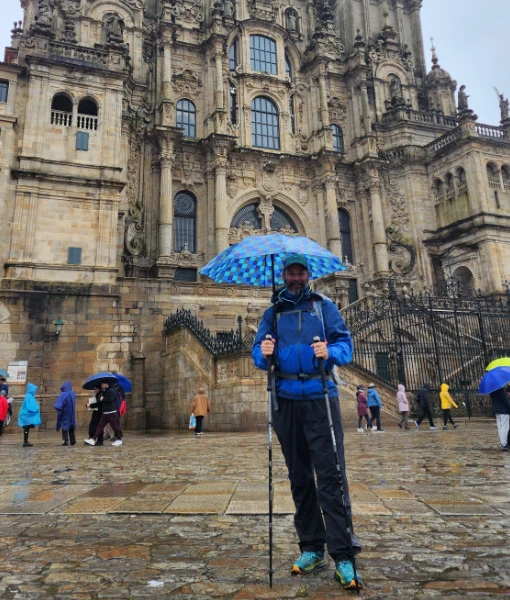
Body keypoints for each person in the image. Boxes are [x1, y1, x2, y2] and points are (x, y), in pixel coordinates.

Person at [252, 253, 363, 590]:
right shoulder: (271, 314)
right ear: (283, 275)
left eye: (301, 272)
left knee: (331, 477)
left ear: (308, 275)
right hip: (286, 400)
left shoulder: (324, 307)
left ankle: (343, 553)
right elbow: (256, 353)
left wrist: (330, 352)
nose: (296, 277)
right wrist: (264, 352)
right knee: (299, 478)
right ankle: (312, 547)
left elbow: (346, 345)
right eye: (291, 272)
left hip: (320, 397)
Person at [84, 380, 123, 446]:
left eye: (102, 385)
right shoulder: (104, 391)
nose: (101, 386)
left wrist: (103, 398)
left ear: (106, 384)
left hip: (111, 412)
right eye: (101, 385)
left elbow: (110, 399)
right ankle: (93, 439)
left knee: (115, 426)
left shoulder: (111, 390)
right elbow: (100, 401)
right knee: (100, 426)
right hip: (105, 412)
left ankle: (119, 439)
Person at [18, 383, 41, 447]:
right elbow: (30, 406)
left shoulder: (29, 396)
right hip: (27, 415)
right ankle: (25, 442)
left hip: (26, 415)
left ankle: (26, 441)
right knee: (26, 428)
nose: (35, 391)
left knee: (27, 428)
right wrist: (36, 408)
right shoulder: (29, 396)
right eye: (34, 390)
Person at [54, 380, 77, 446]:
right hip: (71, 413)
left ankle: (66, 440)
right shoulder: (72, 394)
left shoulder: (63, 394)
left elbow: (58, 405)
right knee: (71, 425)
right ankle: (73, 440)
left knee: (64, 426)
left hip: (65, 412)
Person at [489, 386, 510, 451]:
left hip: (496, 410)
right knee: (505, 427)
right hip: (503, 410)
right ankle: (504, 444)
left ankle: (502, 443)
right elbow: (504, 399)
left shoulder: (492, 388)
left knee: (500, 427)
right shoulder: (501, 388)